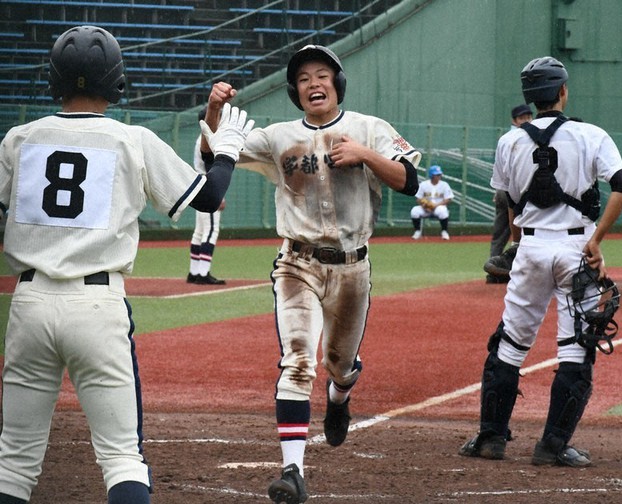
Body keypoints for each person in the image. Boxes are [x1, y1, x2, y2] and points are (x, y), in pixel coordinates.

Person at [0, 25, 253, 504]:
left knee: (12, 462)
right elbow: (209, 197)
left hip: (28, 302)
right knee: (120, 458)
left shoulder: (18, 138)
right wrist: (227, 149)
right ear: (115, 79)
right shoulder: (131, 139)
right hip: (97, 304)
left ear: (53, 78)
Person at [202, 45, 420, 504]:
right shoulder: (278, 136)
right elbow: (217, 150)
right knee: (297, 363)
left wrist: (364, 154)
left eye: (322, 75)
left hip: (352, 267)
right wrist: (214, 108)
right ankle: (293, 471)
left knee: (339, 365)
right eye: (303, 79)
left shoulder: (368, 129)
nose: (314, 84)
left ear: (337, 84)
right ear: (294, 91)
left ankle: (340, 396)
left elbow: (408, 180)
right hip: (295, 264)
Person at [458, 56, 622, 467]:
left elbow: (508, 201)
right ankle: (552, 446)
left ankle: (491, 439)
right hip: (575, 250)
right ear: (563, 92)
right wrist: (597, 240)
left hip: (531, 249)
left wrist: (518, 240)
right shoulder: (590, 134)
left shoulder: (509, 141)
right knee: (577, 347)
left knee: (511, 344)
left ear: (529, 99)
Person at [486, 104, 533, 283]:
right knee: (519, 232)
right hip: (513, 190)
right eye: (522, 117)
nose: (527, 120)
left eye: (529, 116)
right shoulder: (520, 138)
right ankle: (513, 271)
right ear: (514, 121)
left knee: (501, 232)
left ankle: (495, 271)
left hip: (504, 188)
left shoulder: (507, 138)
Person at [187, 107, 227, 285]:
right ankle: (203, 273)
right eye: (215, 116)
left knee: (199, 232)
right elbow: (212, 169)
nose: (218, 119)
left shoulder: (200, 139)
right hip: (208, 188)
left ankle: (194, 271)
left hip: (199, 188)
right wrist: (219, 195)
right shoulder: (208, 141)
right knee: (210, 231)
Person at [410, 165, 454, 240]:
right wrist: (425, 206)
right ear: (432, 175)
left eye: (439, 174)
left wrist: (435, 205)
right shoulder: (423, 184)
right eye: (437, 175)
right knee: (414, 211)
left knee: (442, 210)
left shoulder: (444, 185)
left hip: (438, 207)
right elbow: (418, 198)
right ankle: (417, 231)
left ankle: (444, 232)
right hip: (426, 209)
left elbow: (448, 199)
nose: (439, 176)